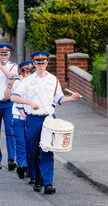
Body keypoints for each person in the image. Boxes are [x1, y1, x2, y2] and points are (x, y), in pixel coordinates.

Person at [11, 51, 80, 194]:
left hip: (48, 118)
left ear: (47, 63)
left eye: (43, 63)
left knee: (48, 149)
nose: (41, 65)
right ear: (34, 64)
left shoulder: (53, 79)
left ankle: (48, 183)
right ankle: (37, 179)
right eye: (38, 63)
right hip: (33, 118)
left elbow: (59, 99)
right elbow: (14, 97)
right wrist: (29, 102)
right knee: (34, 151)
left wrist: (71, 98)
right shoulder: (27, 81)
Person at [4, 61, 34, 180]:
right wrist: (10, 84)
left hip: (31, 118)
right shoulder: (17, 82)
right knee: (21, 142)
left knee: (30, 144)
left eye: (29, 71)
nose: (26, 74)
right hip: (17, 118)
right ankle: (22, 165)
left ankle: (31, 169)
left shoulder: (35, 83)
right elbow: (6, 97)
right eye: (24, 71)